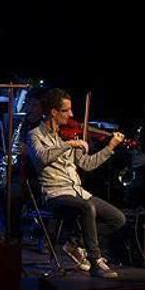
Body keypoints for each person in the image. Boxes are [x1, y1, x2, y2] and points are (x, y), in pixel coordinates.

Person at [27, 88, 126, 278]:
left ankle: (74, 243)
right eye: (66, 110)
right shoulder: (35, 135)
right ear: (54, 112)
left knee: (118, 219)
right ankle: (96, 261)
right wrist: (68, 145)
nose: (71, 114)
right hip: (55, 194)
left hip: (78, 193)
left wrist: (110, 147)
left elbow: (87, 164)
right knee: (87, 207)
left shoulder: (66, 135)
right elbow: (41, 158)